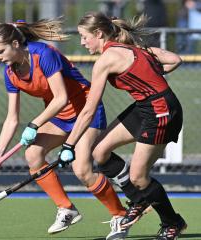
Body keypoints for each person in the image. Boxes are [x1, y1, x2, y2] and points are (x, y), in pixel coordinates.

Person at [0, 18, 131, 239]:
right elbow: (11, 119)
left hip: (85, 111)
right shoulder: (10, 73)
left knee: (81, 168)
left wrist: (34, 124)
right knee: (33, 154)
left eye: (0, 51)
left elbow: (61, 97)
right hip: (60, 117)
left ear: (15, 44)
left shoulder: (43, 54)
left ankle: (120, 215)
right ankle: (67, 209)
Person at [57, 12, 187, 240]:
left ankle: (172, 223)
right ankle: (139, 200)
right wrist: (153, 77)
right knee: (100, 151)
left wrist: (69, 145)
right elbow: (175, 59)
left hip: (160, 110)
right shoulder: (132, 47)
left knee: (138, 176)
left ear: (99, 34)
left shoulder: (106, 60)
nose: (82, 42)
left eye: (84, 36)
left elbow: (88, 110)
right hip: (146, 105)